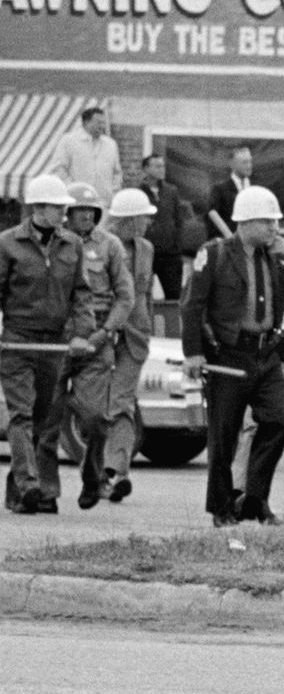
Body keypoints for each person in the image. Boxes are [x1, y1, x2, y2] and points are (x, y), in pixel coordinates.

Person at [182, 186, 284, 526]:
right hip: (228, 353)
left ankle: (255, 498)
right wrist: (193, 352)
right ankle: (222, 507)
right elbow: (192, 305)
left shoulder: (275, 257)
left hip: (265, 354)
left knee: (279, 419)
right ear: (246, 221)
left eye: (275, 221)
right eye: (267, 222)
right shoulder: (216, 253)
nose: (274, 229)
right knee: (224, 434)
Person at [0, 176, 97, 514]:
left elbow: (82, 294)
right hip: (17, 341)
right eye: (58, 208)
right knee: (21, 414)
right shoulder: (8, 243)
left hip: (54, 343)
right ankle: (29, 485)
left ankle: (17, 491)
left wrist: (82, 333)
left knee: (42, 419)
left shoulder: (72, 245)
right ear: (38, 208)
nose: (64, 213)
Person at [60, 184, 134, 511]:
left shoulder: (110, 245)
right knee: (46, 420)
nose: (87, 215)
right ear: (67, 213)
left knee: (95, 418)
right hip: (61, 333)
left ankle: (93, 479)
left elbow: (126, 296)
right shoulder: (56, 243)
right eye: (80, 210)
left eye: (92, 210)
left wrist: (106, 331)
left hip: (98, 334)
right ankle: (40, 490)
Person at [85, 189, 158, 504]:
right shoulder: (97, 245)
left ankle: (116, 470)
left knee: (123, 402)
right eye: (141, 217)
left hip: (135, 334)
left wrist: (149, 325)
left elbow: (145, 292)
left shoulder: (147, 248)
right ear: (125, 220)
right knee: (99, 406)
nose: (146, 223)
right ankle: (102, 472)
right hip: (102, 330)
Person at [137, 154, 206, 300]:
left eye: (163, 166)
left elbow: (178, 220)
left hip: (170, 254)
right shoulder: (138, 193)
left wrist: (177, 245)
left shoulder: (171, 191)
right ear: (146, 169)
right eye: (157, 166)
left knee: (174, 295)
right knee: (142, 295)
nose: (162, 169)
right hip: (146, 253)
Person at [49, 106, 121, 202]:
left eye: (104, 123)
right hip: (76, 201)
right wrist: (72, 190)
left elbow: (117, 173)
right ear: (86, 122)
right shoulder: (69, 141)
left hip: (104, 202)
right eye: (98, 122)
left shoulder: (111, 144)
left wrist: (113, 193)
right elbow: (59, 169)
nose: (102, 126)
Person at [206, 145, 254, 237]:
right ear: (233, 165)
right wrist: (229, 236)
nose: (249, 166)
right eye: (244, 162)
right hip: (229, 242)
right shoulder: (220, 189)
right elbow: (212, 213)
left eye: (250, 162)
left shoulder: (256, 188)